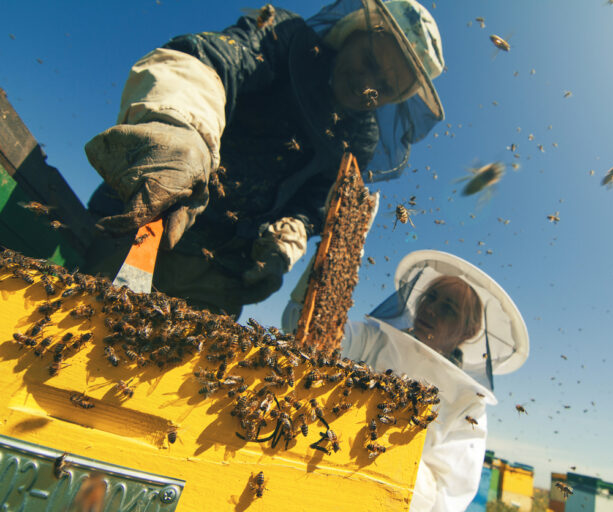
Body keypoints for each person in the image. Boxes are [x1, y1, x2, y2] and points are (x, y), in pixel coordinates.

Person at [84, 0, 445, 316]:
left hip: (222, 267)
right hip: (149, 214)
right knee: (82, 323)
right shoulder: (284, 39)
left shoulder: (361, 138)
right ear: (349, 35)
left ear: (397, 98)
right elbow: (208, 61)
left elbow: (316, 202)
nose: (368, 83)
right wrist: (179, 132)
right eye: (369, 60)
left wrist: (283, 243)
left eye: (386, 85)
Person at [282, 250, 530, 512]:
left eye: (448, 308)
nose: (431, 309)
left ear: (469, 331)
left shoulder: (469, 403)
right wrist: (323, 266)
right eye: (429, 298)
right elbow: (302, 333)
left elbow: (446, 499)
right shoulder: (375, 338)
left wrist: (378, 454)